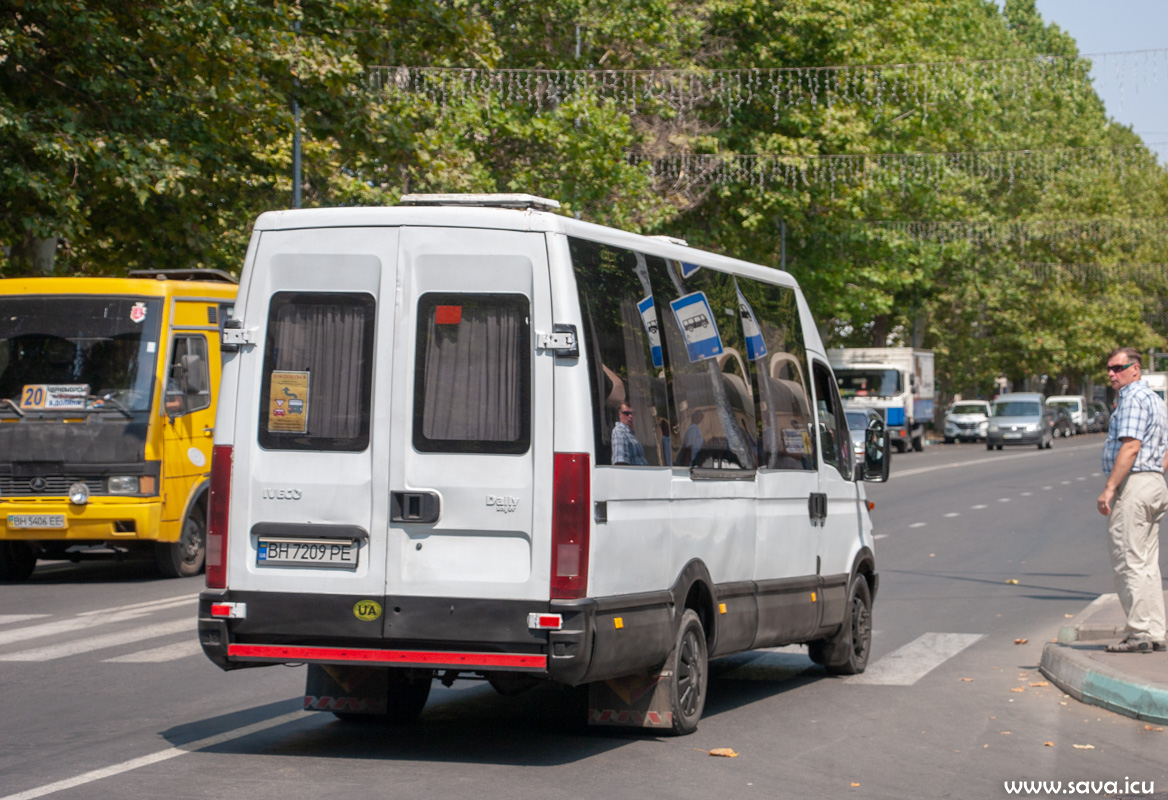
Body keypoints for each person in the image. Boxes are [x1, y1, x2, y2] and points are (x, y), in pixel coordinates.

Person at [1096, 347, 1168, 653]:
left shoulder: (1133, 399)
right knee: (1147, 562)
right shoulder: (1155, 399)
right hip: (1154, 483)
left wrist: (1110, 488)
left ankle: (1139, 633)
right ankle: (1155, 631)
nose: (1112, 373)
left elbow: (1130, 447)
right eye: (1109, 369)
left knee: (1128, 560)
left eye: (1118, 367)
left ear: (1135, 368)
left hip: (1135, 484)